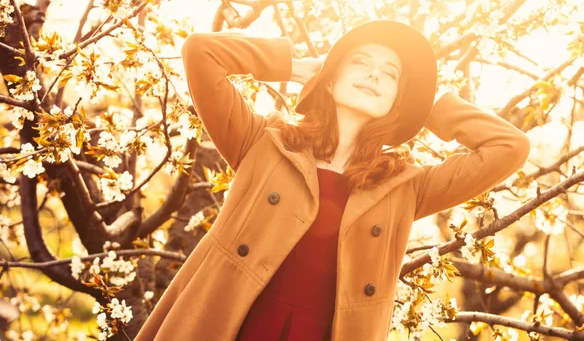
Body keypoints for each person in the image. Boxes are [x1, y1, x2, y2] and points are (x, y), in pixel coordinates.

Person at [134, 20, 530, 341]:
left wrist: (431, 105)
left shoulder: (406, 187)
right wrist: (289, 66)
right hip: (225, 325)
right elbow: (201, 51)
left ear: (398, 97)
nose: (374, 75)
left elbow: (509, 146)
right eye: (360, 62)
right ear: (329, 77)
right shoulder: (263, 143)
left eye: (390, 74)